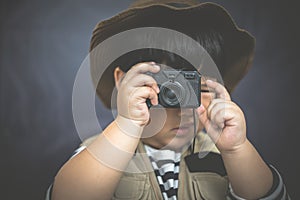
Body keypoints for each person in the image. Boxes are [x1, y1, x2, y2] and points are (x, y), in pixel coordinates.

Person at [47, 0, 290, 199]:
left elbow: (265, 196)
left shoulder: (220, 154)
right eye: (169, 90)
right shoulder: (104, 150)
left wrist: (237, 148)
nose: (185, 107)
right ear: (124, 82)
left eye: (199, 88)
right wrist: (127, 125)